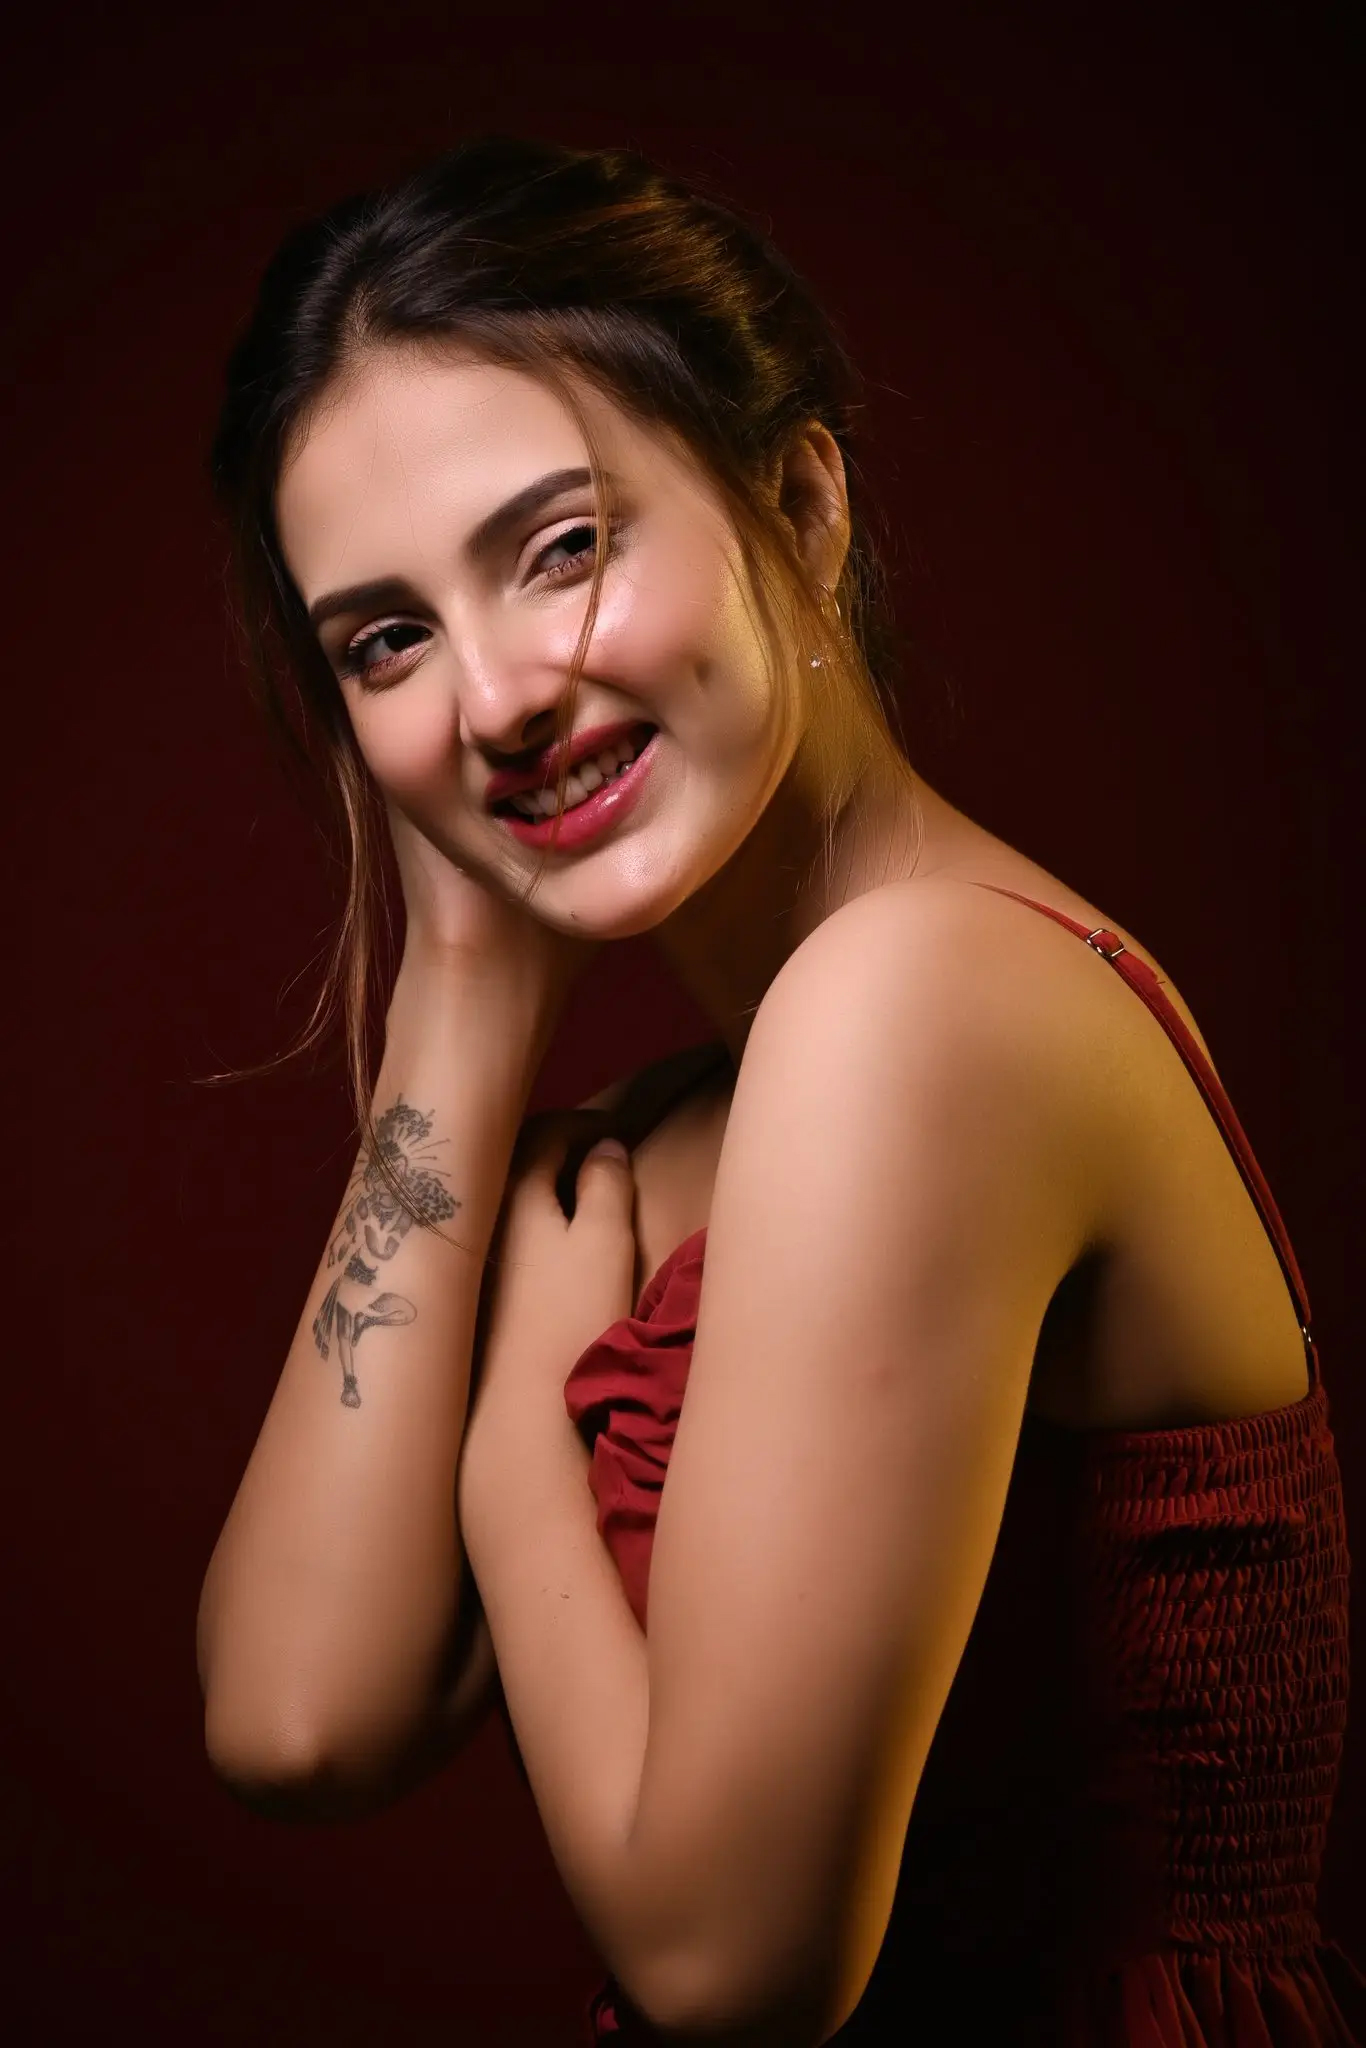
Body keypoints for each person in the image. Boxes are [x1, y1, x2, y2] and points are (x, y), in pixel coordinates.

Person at [195, 135, 1364, 2046]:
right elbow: (294, 1718)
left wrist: (511, 1458)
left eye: (560, 548)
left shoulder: (924, 1003)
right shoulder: (683, 1118)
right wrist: (458, 1004)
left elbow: (728, 1967)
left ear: (802, 505)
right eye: (388, 639)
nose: (492, 700)